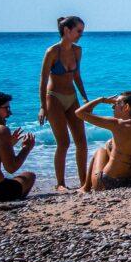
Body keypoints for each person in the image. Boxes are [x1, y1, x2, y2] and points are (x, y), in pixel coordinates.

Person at [38, 16, 89, 190]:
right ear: (67, 30)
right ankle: (60, 184)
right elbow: (43, 80)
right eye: (78, 31)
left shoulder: (77, 51)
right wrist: (42, 107)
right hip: (54, 98)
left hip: (72, 97)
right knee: (64, 142)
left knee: (81, 141)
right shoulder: (52, 52)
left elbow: (77, 76)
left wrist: (84, 98)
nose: (81, 34)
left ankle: (84, 182)